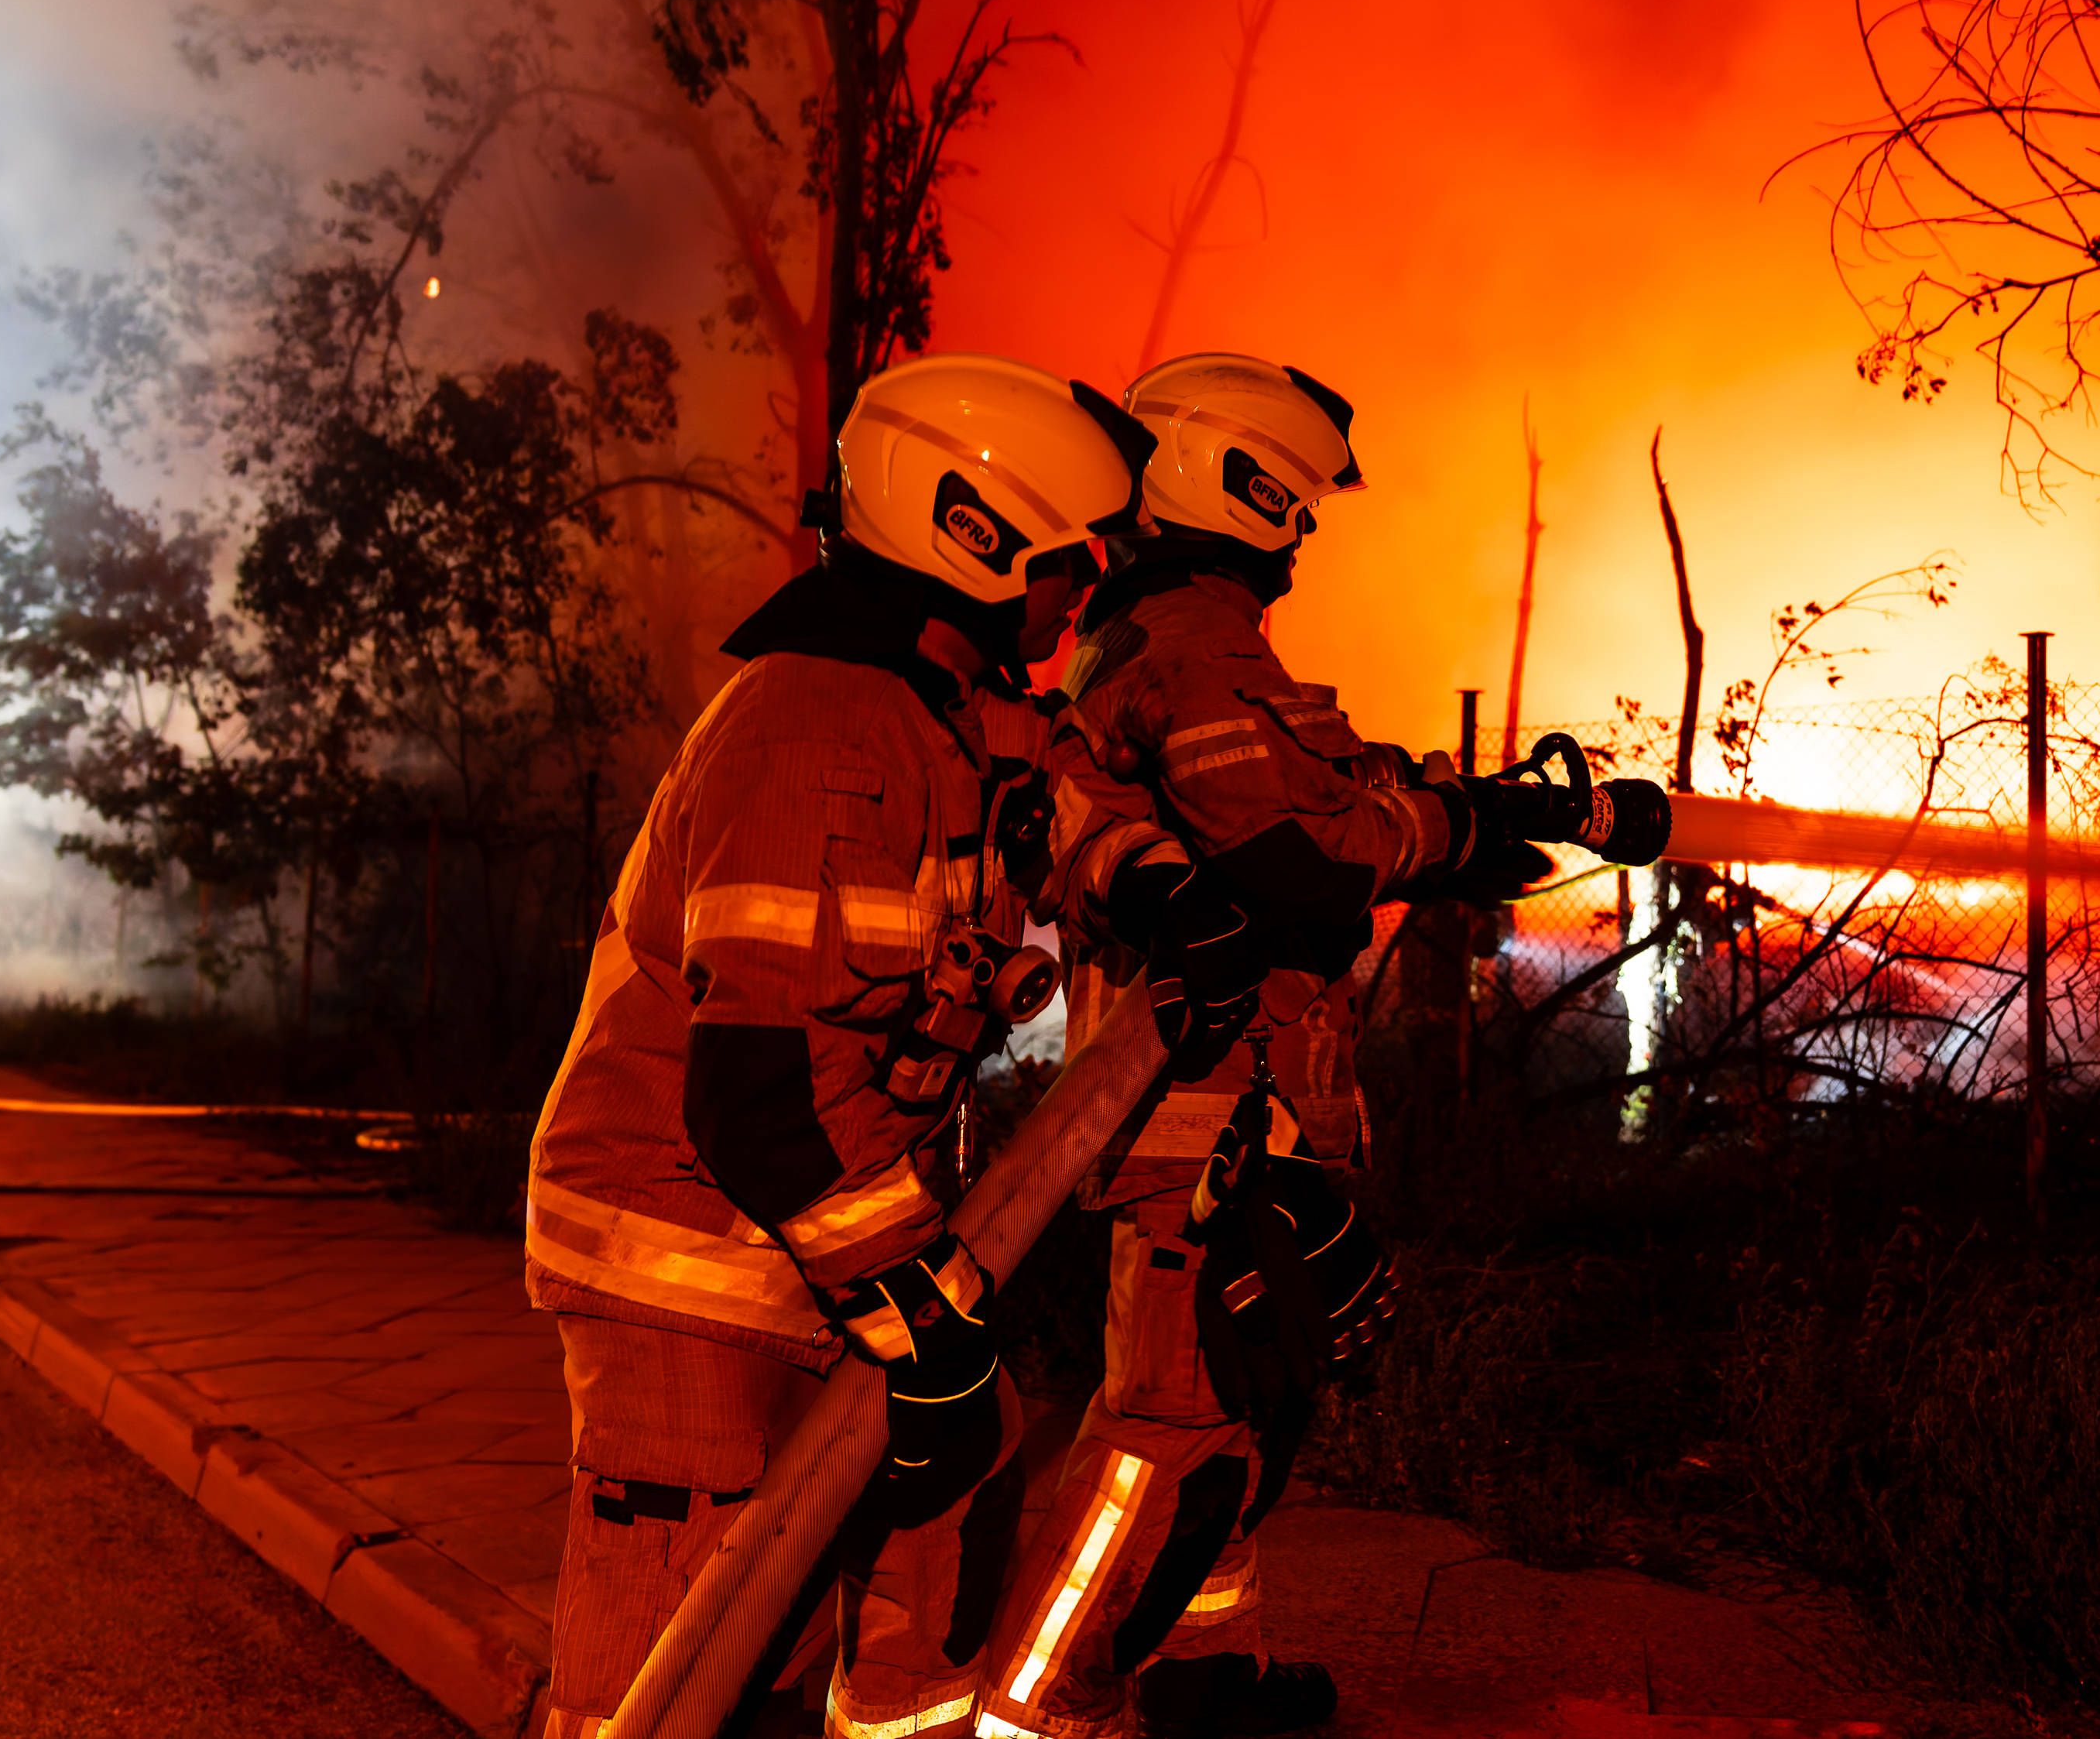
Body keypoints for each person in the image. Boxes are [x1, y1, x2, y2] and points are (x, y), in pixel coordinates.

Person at [524, 355, 1258, 1739]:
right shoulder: (816, 731)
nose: (1081, 587)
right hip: (686, 1256)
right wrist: (914, 1315)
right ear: (971, 534)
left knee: (893, 1539)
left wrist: (1158, 884)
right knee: (681, 1660)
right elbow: (761, 1093)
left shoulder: (939, 710)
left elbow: (1054, 811)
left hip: (806, 1239)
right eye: (1063, 556)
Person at [978, 354, 1539, 1739]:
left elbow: (1310, 792)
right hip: (1205, 1110)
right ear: (1242, 487)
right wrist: (1456, 836)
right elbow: (1292, 855)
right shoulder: (1195, 642)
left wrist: (1469, 803)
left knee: (1231, 1414)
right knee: (1167, 1434)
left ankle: (1201, 1674)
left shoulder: (1167, 636)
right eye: (1295, 505)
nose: (1302, 536)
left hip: (1233, 1104)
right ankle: (1035, 1713)